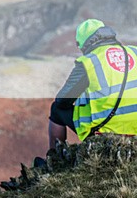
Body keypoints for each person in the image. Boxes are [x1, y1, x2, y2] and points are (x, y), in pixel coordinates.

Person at [48, 19, 137, 151]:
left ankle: (55, 157)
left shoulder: (89, 62)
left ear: (84, 44)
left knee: (57, 109)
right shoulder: (134, 52)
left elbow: (62, 100)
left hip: (107, 133)